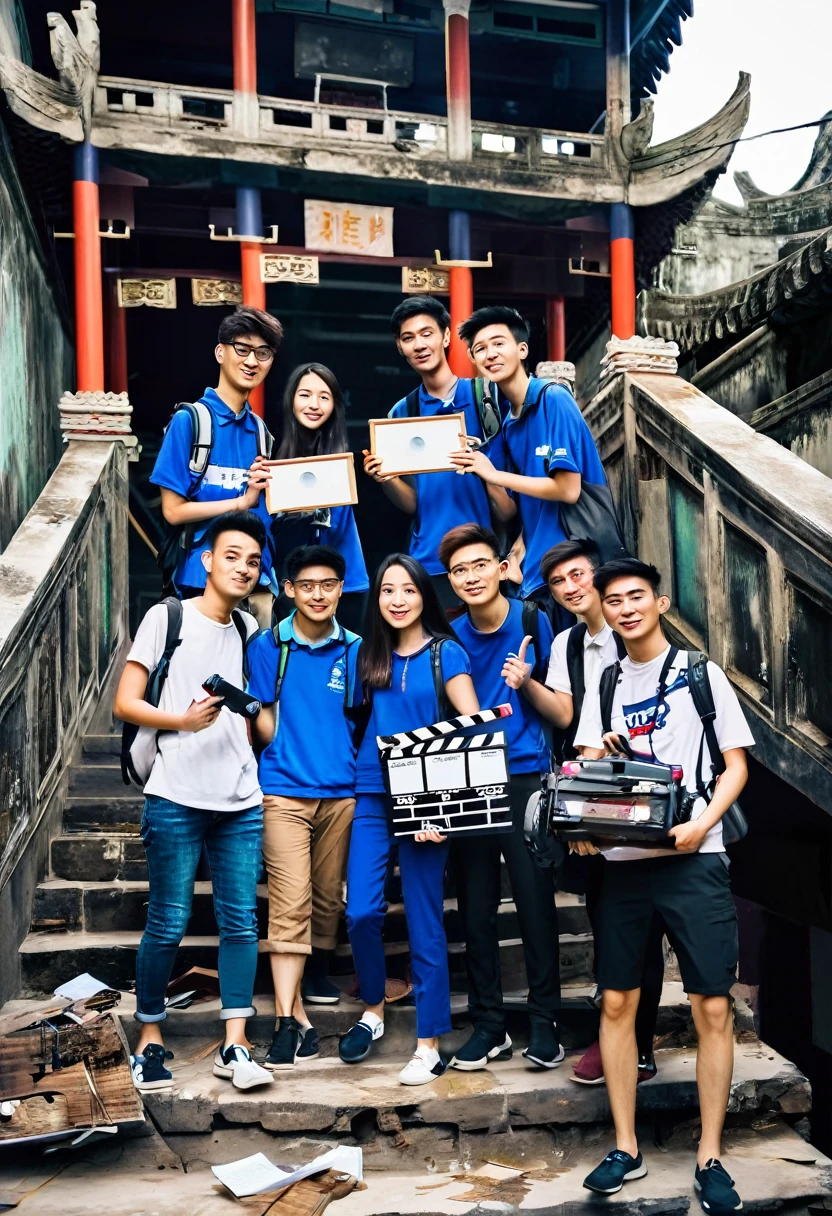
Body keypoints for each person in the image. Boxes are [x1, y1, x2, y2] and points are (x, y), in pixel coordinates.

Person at [578, 558, 753, 1213]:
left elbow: (736, 766)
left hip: (695, 858)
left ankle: (710, 1154)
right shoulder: (603, 684)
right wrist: (605, 753)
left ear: (659, 601)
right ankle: (625, 1145)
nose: (624, 608)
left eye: (635, 597)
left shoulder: (699, 674)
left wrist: (702, 822)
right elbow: (591, 770)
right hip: (624, 864)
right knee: (617, 1005)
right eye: (613, 600)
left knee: (712, 1006)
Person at [113, 511, 273, 1093]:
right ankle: (149, 1039)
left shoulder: (253, 632)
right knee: (168, 921)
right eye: (232, 556)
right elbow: (126, 702)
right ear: (207, 560)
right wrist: (180, 719)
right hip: (175, 792)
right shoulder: (167, 616)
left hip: (239, 797)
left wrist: (254, 715)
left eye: (253, 561)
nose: (243, 568)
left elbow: (265, 722)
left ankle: (235, 1044)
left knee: (240, 923)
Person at [339, 554, 479, 1084]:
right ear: (376, 600)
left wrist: (441, 807)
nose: (398, 600)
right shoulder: (367, 654)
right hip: (373, 792)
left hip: (430, 801)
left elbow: (470, 731)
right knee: (361, 912)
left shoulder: (447, 653)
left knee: (425, 921)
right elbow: (359, 723)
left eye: (408, 590)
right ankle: (373, 1008)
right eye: (387, 590)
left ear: (424, 596)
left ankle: (428, 1043)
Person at [438, 524, 565, 1071]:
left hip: (527, 776)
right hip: (468, 779)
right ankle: (489, 1024)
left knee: (535, 903)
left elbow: (564, 707)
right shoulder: (446, 634)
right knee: (476, 907)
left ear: (502, 567)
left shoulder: (534, 621)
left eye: (479, 565)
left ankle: (544, 1023)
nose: (471, 577)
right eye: (459, 570)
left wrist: (527, 682)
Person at [542, 538, 662, 1087]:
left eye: (579, 575)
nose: (573, 587)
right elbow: (577, 728)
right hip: (593, 791)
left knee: (645, 925)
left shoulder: (639, 635)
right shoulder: (568, 644)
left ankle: (637, 1043)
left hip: (647, 794)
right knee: (605, 915)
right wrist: (580, 815)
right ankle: (614, 1033)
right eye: (559, 580)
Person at [248, 544, 362, 1068]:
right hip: (283, 791)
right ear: (288, 589)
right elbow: (261, 715)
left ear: (341, 588)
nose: (318, 594)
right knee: (289, 901)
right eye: (306, 585)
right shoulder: (270, 645)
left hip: (342, 790)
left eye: (329, 585)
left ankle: (307, 993)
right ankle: (284, 1022)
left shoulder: (359, 649)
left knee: (327, 898)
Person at [450, 305, 613, 628]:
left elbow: (568, 489)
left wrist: (493, 473)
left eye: (499, 343)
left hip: (574, 574)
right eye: (480, 349)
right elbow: (513, 509)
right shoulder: (509, 423)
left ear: (522, 349)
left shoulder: (553, 399)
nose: (490, 354)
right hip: (536, 574)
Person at [363, 296, 514, 612]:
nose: (419, 344)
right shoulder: (401, 414)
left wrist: (479, 467)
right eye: (408, 338)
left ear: (446, 336)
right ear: (400, 347)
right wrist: (387, 479)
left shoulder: (485, 397)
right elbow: (415, 503)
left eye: (427, 333)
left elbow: (507, 510)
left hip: (483, 560)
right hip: (427, 563)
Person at [151, 305, 283, 602]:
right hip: (199, 584)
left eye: (263, 352)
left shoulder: (262, 434)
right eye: (242, 349)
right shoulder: (190, 421)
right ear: (220, 353)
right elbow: (173, 512)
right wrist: (240, 502)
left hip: (255, 585)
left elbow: (263, 512)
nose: (252, 360)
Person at [270, 364, 369, 635]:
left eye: (324, 397)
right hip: (288, 584)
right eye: (305, 395)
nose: (314, 404)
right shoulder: (269, 452)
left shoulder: (341, 458)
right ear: (290, 399)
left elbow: (337, 527)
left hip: (343, 584)